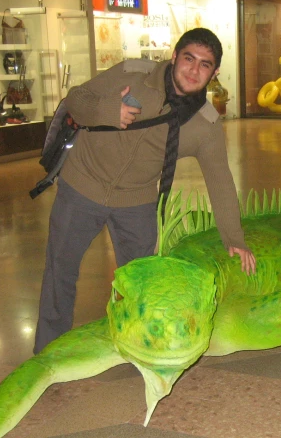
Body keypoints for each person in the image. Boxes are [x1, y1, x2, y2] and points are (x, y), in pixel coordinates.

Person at [33, 28, 257, 354]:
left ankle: (137, 347)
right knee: (60, 273)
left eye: (205, 65)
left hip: (136, 201)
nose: (194, 70)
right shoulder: (134, 75)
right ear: (175, 55)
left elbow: (220, 181)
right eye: (189, 59)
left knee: (143, 283)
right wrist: (110, 111)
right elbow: (76, 99)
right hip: (83, 184)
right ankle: (47, 353)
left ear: (215, 72)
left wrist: (234, 239)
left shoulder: (205, 123)